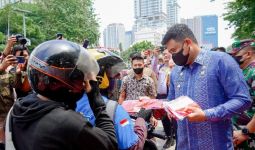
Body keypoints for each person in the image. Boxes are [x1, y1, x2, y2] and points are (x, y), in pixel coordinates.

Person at [8, 40, 117, 150]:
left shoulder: (19, 107)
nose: (83, 84)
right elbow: (110, 144)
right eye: (77, 78)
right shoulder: (68, 122)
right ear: (57, 82)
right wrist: (97, 101)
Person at [161, 24, 252, 149]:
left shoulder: (221, 61)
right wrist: (159, 106)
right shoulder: (176, 71)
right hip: (184, 145)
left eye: (174, 51)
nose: (173, 56)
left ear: (187, 43)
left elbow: (243, 99)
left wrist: (207, 114)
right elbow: (171, 101)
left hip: (216, 145)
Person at [76, 48, 148, 150]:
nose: (118, 76)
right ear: (98, 75)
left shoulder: (67, 103)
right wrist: (141, 120)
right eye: (112, 71)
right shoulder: (113, 110)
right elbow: (134, 147)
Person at [229, 39, 255, 149]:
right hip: (239, 134)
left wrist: (245, 132)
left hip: (249, 135)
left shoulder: (253, 72)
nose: (232, 58)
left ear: (248, 54)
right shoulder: (242, 72)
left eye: (235, 54)